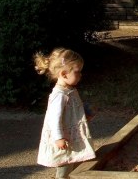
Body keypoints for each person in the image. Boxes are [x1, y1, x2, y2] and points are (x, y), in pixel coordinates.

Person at [34, 48, 96, 178]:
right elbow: (53, 119)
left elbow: (74, 107)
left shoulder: (69, 90)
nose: (81, 75)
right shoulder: (59, 95)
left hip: (71, 135)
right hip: (64, 138)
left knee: (75, 159)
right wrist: (58, 138)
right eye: (78, 72)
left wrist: (85, 112)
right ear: (64, 74)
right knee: (65, 162)